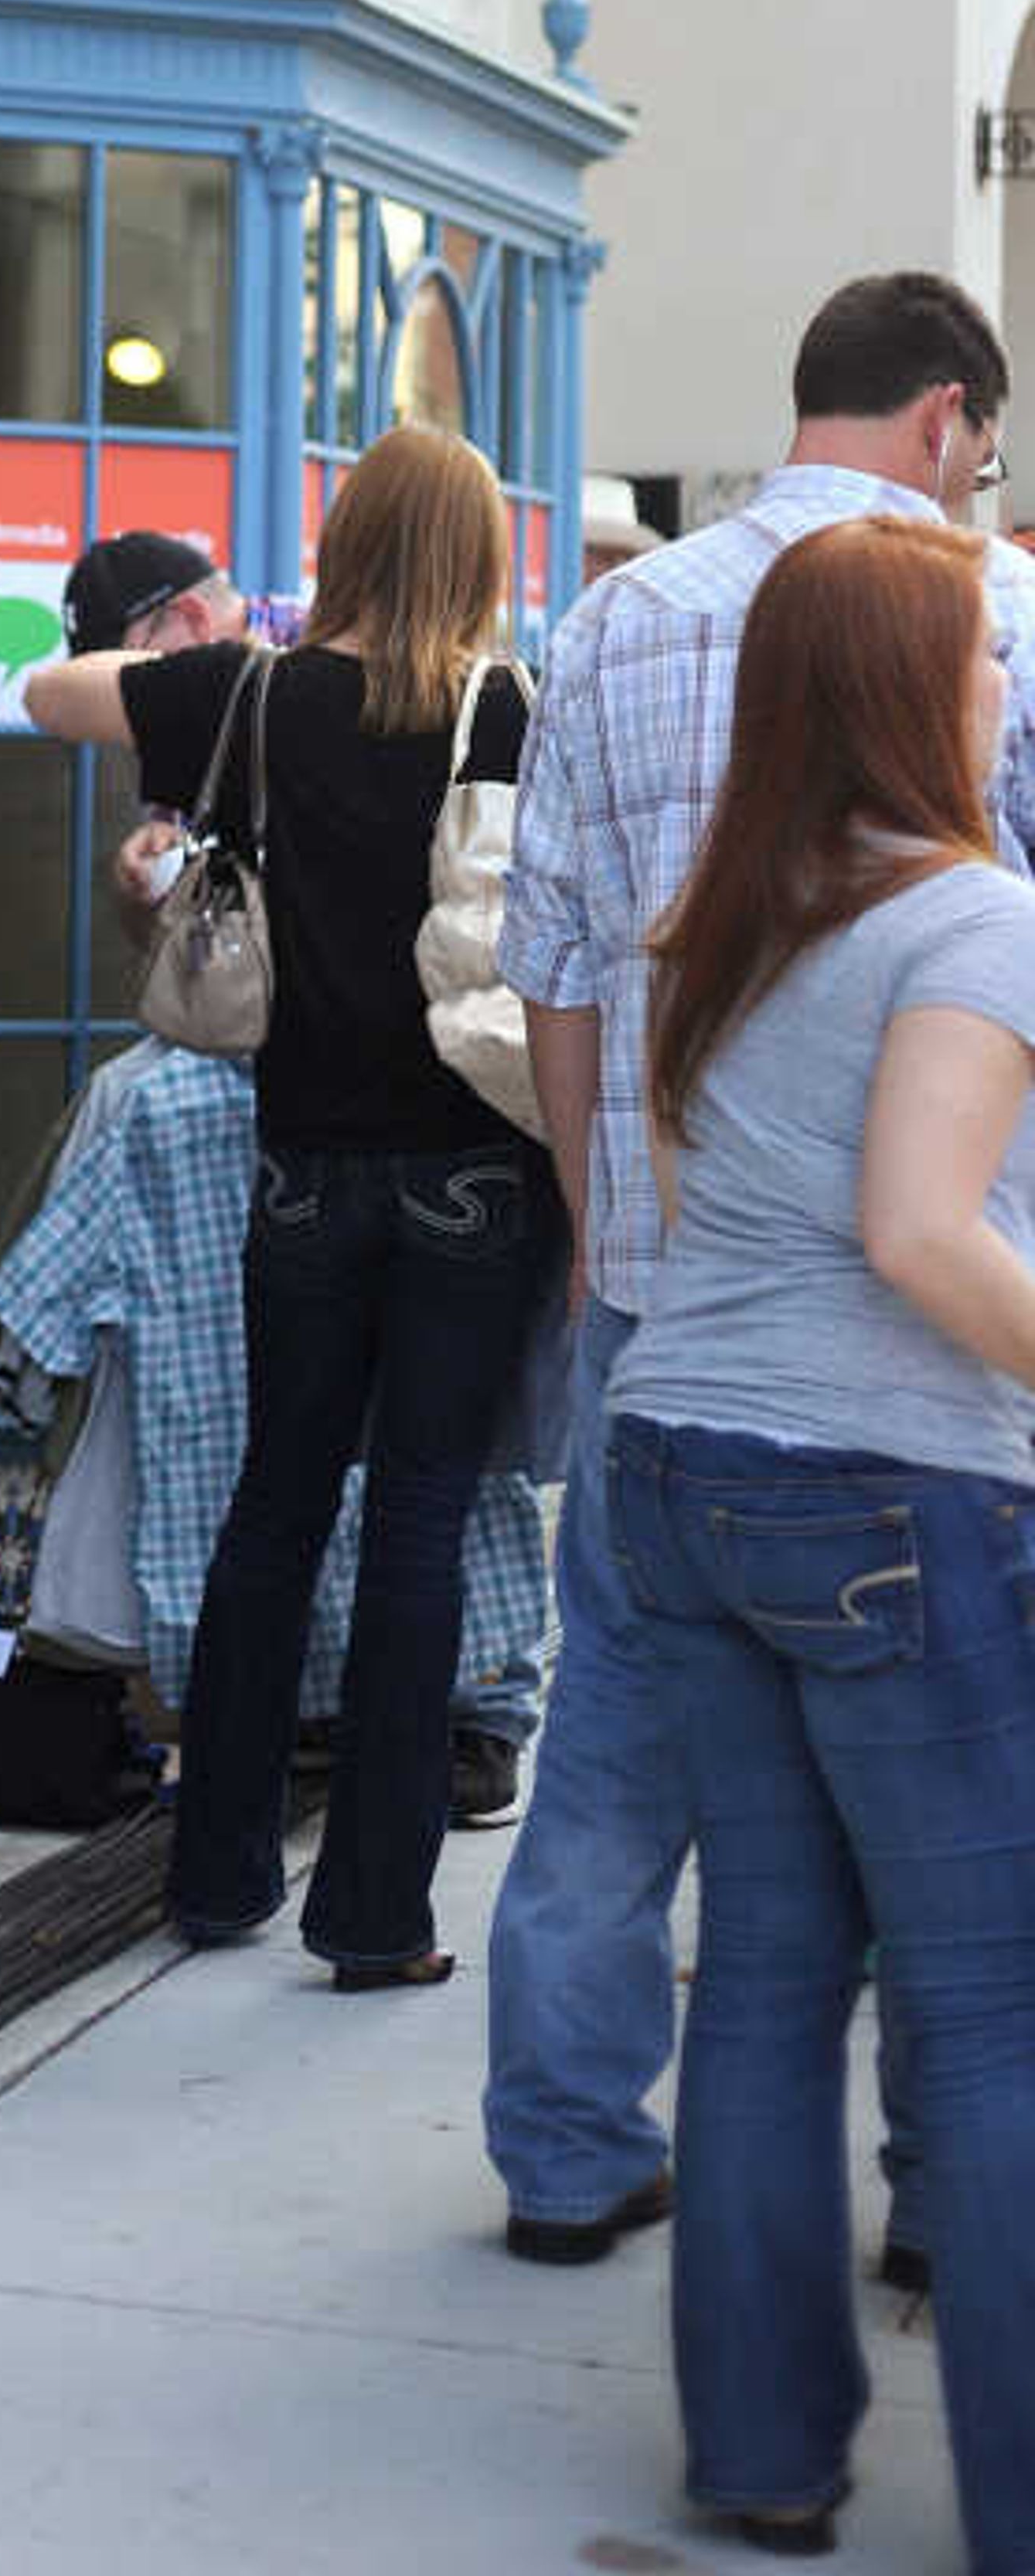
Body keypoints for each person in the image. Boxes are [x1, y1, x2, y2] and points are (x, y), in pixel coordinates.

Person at [486, 269, 1035, 2268]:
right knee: (939, 1809)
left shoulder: (618, 613)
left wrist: (594, 1210)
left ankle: (562, 2143)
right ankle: (939, 2202)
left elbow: (553, 967)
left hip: (667, 1292)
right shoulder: (990, 620)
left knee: (617, 1758)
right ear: (946, 416)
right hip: (933, 1312)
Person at [606, 515, 1035, 2565]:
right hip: (887, 1492)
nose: (1005, 685)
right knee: (990, 1998)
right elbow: (919, 1230)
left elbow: (704, 1214)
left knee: (771, 1971)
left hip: (681, 1466)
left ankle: (763, 2452)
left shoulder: (715, 916)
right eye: (981, 654)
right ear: (911, 689)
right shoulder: (974, 919)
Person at [25, 427, 554, 1981]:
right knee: (421, 1527)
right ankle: (377, 1915)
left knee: (276, 1508)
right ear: (476, 559)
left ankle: (221, 1875)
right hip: (474, 1174)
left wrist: (195, 645)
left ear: (347, 545)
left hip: (299, 1173)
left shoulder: (250, 694)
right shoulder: (510, 706)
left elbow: (44, 695)